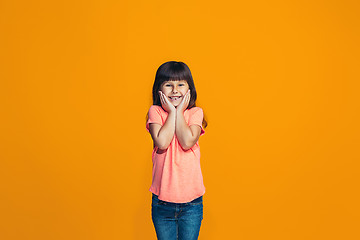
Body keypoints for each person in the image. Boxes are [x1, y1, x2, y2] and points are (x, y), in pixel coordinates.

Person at [145, 61, 208, 240]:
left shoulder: (195, 112)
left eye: (180, 84)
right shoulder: (156, 112)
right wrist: (172, 113)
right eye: (168, 85)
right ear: (159, 89)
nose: (175, 90)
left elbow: (187, 141)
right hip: (162, 203)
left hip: (191, 205)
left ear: (189, 88)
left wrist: (179, 112)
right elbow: (162, 142)